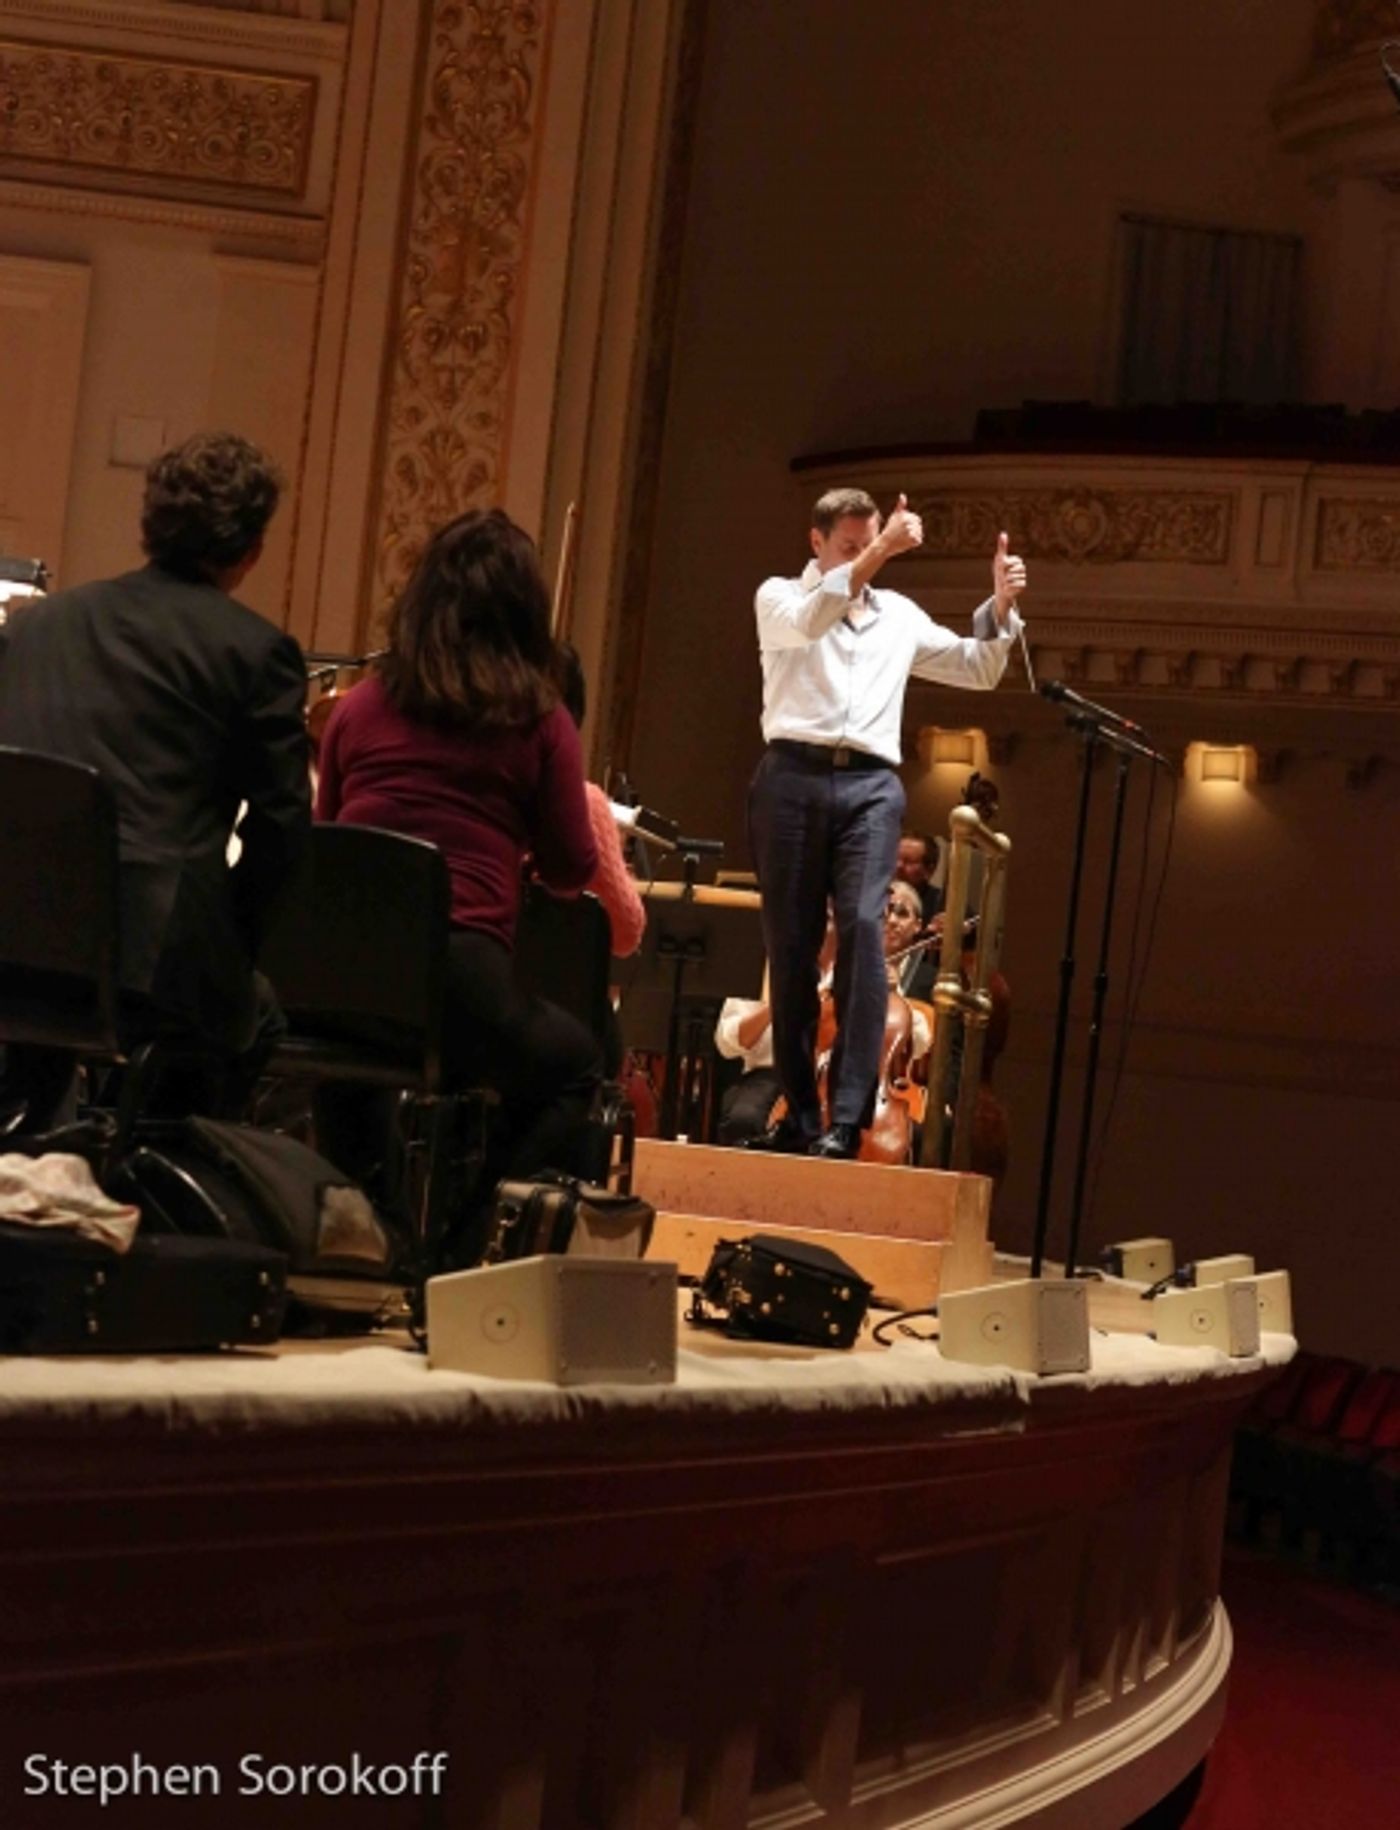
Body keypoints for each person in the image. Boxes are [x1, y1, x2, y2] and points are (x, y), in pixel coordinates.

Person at [0, 431, 310, 1131]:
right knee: (253, 1017)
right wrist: (235, 945)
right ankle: (152, 1171)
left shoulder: (39, 626)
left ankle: (41, 1164)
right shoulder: (255, 651)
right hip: (149, 963)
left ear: (149, 522)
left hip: (15, 940)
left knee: (44, 1033)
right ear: (252, 549)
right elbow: (281, 836)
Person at [314, 508, 602, 1239]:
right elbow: (573, 868)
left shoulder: (358, 707)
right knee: (575, 1066)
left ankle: (370, 1227)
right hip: (458, 974)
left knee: (355, 1058)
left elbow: (326, 843)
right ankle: (464, 1235)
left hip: (342, 972)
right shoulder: (539, 718)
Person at [746, 486, 1025, 1158]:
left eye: (869, 545)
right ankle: (800, 1115)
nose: (864, 557)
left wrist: (1000, 607)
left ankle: (848, 1119)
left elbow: (978, 668)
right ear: (817, 542)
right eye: (849, 546)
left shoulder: (897, 615)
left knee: (864, 930)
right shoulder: (779, 597)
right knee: (793, 947)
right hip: (791, 777)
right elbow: (815, 617)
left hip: (870, 785)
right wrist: (878, 553)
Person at [895, 830, 944, 925]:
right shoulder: (876, 895)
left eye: (908, 861)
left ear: (929, 870)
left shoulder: (942, 903)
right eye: (895, 858)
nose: (898, 866)